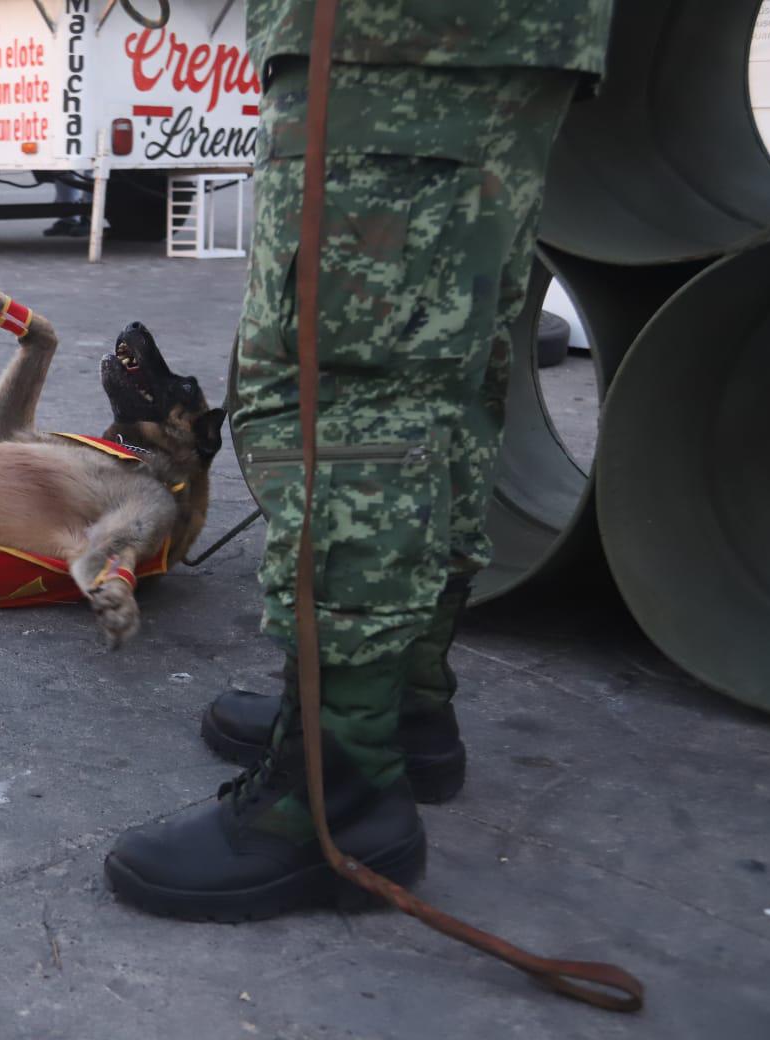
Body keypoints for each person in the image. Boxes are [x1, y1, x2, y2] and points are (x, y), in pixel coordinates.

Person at [103, 1, 614, 920]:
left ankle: (334, 795)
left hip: (394, 32)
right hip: (493, 39)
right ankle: (398, 711)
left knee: (346, 394)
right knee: (442, 380)